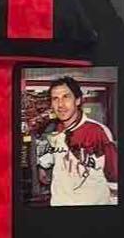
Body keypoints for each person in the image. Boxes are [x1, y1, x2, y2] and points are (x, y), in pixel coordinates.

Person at [35, 77, 118, 206]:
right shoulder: (55, 130)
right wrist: (42, 166)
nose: (60, 104)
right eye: (55, 99)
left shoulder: (97, 132)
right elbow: (53, 153)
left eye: (66, 97)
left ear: (78, 100)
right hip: (59, 204)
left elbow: (114, 176)